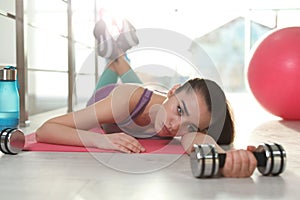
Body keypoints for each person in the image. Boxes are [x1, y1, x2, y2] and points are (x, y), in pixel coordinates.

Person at [35, 18, 257, 178]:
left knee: (135, 85)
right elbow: (45, 130)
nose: (174, 126)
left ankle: (116, 51)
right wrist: (101, 140)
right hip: (109, 99)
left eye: (189, 126)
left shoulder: (180, 125)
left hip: (144, 99)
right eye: (180, 110)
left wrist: (222, 158)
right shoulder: (125, 101)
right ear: (173, 90)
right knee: (134, 91)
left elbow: (196, 141)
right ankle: (117, 53)